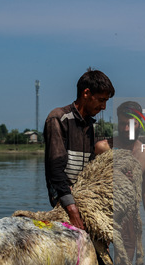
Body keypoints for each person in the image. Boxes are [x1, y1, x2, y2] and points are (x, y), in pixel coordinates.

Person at [44, 68, 115, 229]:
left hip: (82, 197)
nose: (104, 106)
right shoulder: (59, 118)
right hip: (64, 200)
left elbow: (91, 164)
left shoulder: (89, 125)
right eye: (101, 100)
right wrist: (72, 208)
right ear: (86, 93)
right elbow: (55, 170)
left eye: (106, 101)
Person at [95, 101, 145, 262]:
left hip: (127, 216)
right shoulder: (103, 148)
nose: (126, 129)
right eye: (122, 124)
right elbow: (89, 183)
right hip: (100, 214)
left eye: (130, 124)